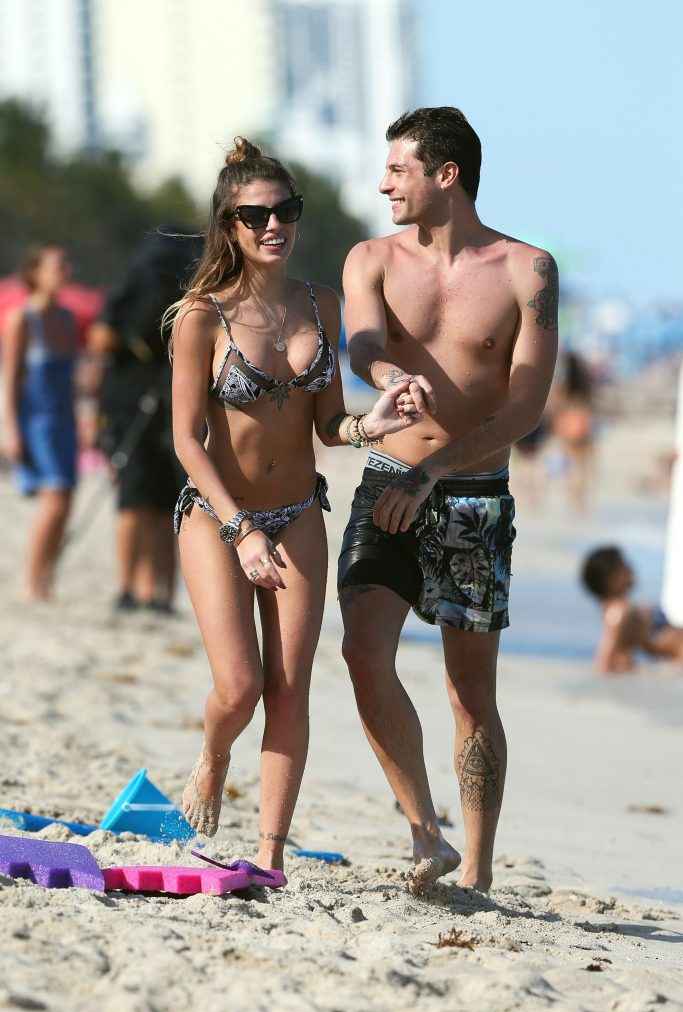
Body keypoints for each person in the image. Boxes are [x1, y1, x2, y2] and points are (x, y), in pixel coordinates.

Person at [169, 138, 416, 872]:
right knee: (239, 687)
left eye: (286, 210)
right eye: (256, 215)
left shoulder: (320, 303)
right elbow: (186, 441)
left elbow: (327, 423)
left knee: (288, 689)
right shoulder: (200, 317)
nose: (274, 225)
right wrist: (240, 530)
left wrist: (371, 425)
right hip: (219, 518)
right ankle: (214, 754)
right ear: (230, 226)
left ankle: (270, 855)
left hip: (299, 513)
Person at [338, 107, 559, 894]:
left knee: (470, 694)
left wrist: (431, 472)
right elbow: (363, 343)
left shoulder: (527, 271)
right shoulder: (369, 258)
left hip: (471, 497)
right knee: (363, 656)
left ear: (446, 174)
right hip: (384, 482)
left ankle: (480, 870)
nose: (382, 183)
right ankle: (423, 831)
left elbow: (523, 407)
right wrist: (387, 376)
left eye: (397, 169)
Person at [87, 229, 201, 612]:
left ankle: (135, 589)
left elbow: (100, 339)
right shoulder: (189, 290)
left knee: (141, 501)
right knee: (163, 503)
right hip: (163, 404)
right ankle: (154, 591)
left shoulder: (133, 282)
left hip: (138, 404)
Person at [2, 244, 79, 600]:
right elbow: (9, 379)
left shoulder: (67, 319)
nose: (64, 272)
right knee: (54, 497)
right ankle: (32, 579)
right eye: (56, 266)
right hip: (36, 422)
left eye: (66, 265)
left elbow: (73, 380)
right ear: (35, 273)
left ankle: (47, 576)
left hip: (65, 420)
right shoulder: (22, 319)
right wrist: (9, 429)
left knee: (66, 500)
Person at [581, 546, 683, 672]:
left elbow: (623, 658)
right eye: (624, 565)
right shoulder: (618, 614)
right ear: (611, 578)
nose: (630, 569)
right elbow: (604, 663)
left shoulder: (622, 610)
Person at [551, 350, 595, 512]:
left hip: (567, 423)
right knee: (582, 464)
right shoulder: (585, 386)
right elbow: (590, 407)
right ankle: (580, 500)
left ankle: (572, 497)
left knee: (570, 464)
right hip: (582, 422)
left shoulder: (564, 387)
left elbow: (556, 406)